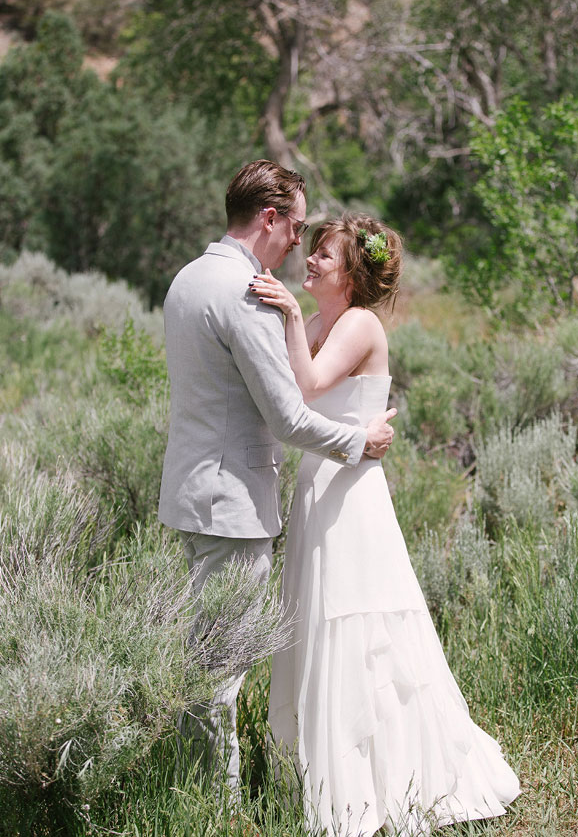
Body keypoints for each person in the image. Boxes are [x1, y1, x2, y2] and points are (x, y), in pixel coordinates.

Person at [251, 212, 520, 836]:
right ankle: (321, 778)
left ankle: (381, 782)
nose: (311, 259)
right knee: (317, 617)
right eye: (314, 250)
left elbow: (309, 384)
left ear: (350, 275)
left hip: (351, 496)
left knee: (355, 618)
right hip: (319, 488)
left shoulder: (359, 324)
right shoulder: (319, 323)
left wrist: (285, 312)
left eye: (325, 254)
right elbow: (286, 398)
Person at [158, 162, 397, 795]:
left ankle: (199, 787)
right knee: (221, 664)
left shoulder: (188, 278)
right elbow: (288, 417)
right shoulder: (243, 292)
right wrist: (360, 442)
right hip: (232, 500)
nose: (298, 242)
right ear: (269, 218)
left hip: (192, 493)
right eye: (296, 226)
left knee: (206, 653)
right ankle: (214, 801)